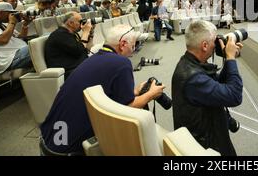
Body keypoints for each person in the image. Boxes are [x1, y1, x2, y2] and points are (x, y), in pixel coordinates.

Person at [40, 24, 165, 155]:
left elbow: (109, 95)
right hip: (67, 151)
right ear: (123, 44)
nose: (133, 50)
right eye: (133, 45)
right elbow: (129, 107)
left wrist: (134, 92)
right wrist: (151, 94)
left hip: (50, 139)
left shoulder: (92, 59)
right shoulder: (122, 63)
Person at [172, 20, 243, 156]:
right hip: (205, 147)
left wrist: (229, 58)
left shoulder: (188, 62)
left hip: (202, 134)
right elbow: (234, 96)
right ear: (204, 45)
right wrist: (230, 58)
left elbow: (217, 84)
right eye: (214, 41)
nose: (216, 44)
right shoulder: (194, 79)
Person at [0, 2, 32, 74]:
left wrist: (25, 25)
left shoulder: (2, 23)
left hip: (20, 52)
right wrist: (12, 22)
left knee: (47, 36)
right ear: (1, 12)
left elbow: (20, 37)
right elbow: (3, 40)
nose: (11, 16)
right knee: (40, 45)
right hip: (10, 58)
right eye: (10, 13)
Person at [44, 12, 92, 77]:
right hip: (67, 72)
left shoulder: (70, 34)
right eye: (80, 21)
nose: (82, 24)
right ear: (70, 23)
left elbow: (87, 49)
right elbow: (79, 51)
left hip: (77, 67)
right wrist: (86, 32)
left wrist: (90, 33)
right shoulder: (60, 35)